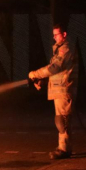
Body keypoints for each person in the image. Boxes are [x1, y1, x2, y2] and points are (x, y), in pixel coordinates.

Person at [29, 24, 79, 159]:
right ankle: (63, 147)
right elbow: (57, 72)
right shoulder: (59, 49)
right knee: (61, 120)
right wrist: (44, 81)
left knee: (63, 120)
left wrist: (36, 74)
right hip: (59, 89)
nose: (54, 37)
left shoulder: (66, 49)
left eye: (56, 34)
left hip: (65, 90)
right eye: (54, 35)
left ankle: (64, 149)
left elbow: (55, 67)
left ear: (64, 34)